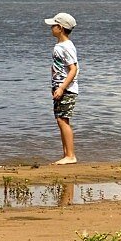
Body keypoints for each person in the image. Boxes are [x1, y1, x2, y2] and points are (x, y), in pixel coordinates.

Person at [44, 12, 79, 165]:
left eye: (53, 25)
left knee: (62, 120)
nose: (51, 28)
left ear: (60, 28)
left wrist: (62, 88)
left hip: (66, 89)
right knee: (61, 120)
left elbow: (73, 69)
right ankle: (66, 153)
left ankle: (70, 155)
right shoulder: (60, 46)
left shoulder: (66, 47)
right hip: (59, 87)